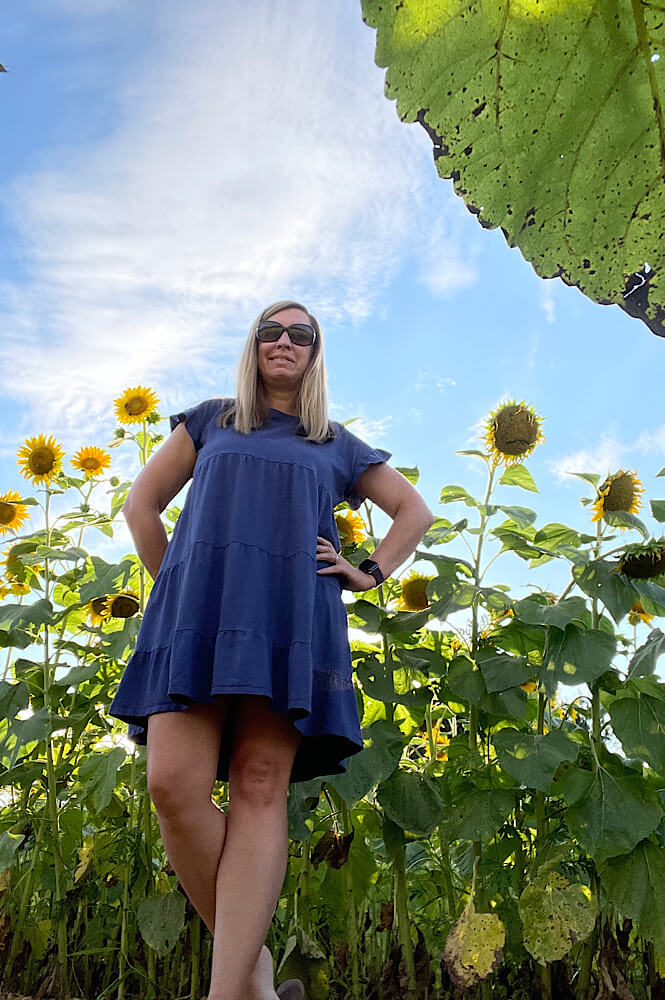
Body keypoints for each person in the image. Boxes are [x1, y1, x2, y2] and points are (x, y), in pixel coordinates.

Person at [108, 300, 434, 1000]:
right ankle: (254, 978)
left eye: (301, 335)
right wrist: (178, 586)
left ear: (315, 353)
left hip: (292, 621)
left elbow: (414, 511)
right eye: (270, 331)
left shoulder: (335, 443)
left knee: (260, 788)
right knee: (172, 787)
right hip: (195, 620)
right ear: (253, 345)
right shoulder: (210, 419)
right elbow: (142, 505)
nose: (283, 342)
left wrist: (368, 571)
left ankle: (229, 994)